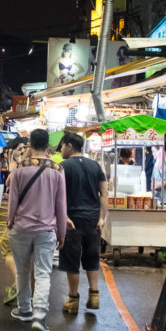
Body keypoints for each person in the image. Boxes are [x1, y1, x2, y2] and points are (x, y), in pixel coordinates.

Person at [6, 129, 67, 331]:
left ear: (30, 144)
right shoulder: (58, 169)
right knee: (42, 273)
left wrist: (10, 221)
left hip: (20, 228)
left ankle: (24, 310)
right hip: (46, 230)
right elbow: (61, 205)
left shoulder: (20, 167)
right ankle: (39, 316)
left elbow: (12, 201)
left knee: (23, 271)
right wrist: (62, 232)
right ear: (48, 145)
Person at [59, 132, 107, 314]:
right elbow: (104, 193)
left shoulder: (63, 167)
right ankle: (94, 295)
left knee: (71, 260)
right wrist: (102, 218)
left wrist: (63, 217)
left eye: (63, 146)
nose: (61, 150)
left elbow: (58, 195)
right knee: (92, 257)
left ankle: (73, 300)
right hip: (93, 220)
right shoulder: (95, 166)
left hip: (72, 220)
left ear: (70, 145)